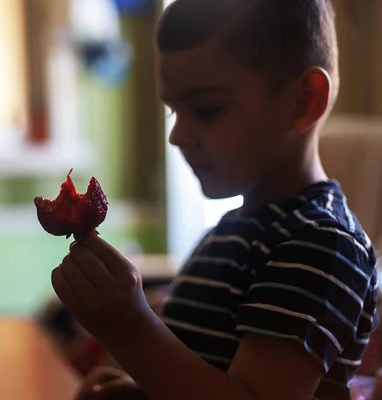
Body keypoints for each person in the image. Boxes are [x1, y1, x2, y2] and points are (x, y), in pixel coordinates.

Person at [50, 1, 380, 399]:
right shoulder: (227, 234)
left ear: (304, 100)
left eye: (206, 110)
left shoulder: (323, 244)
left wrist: (129, 327)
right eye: (175, 111)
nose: (178, 135)